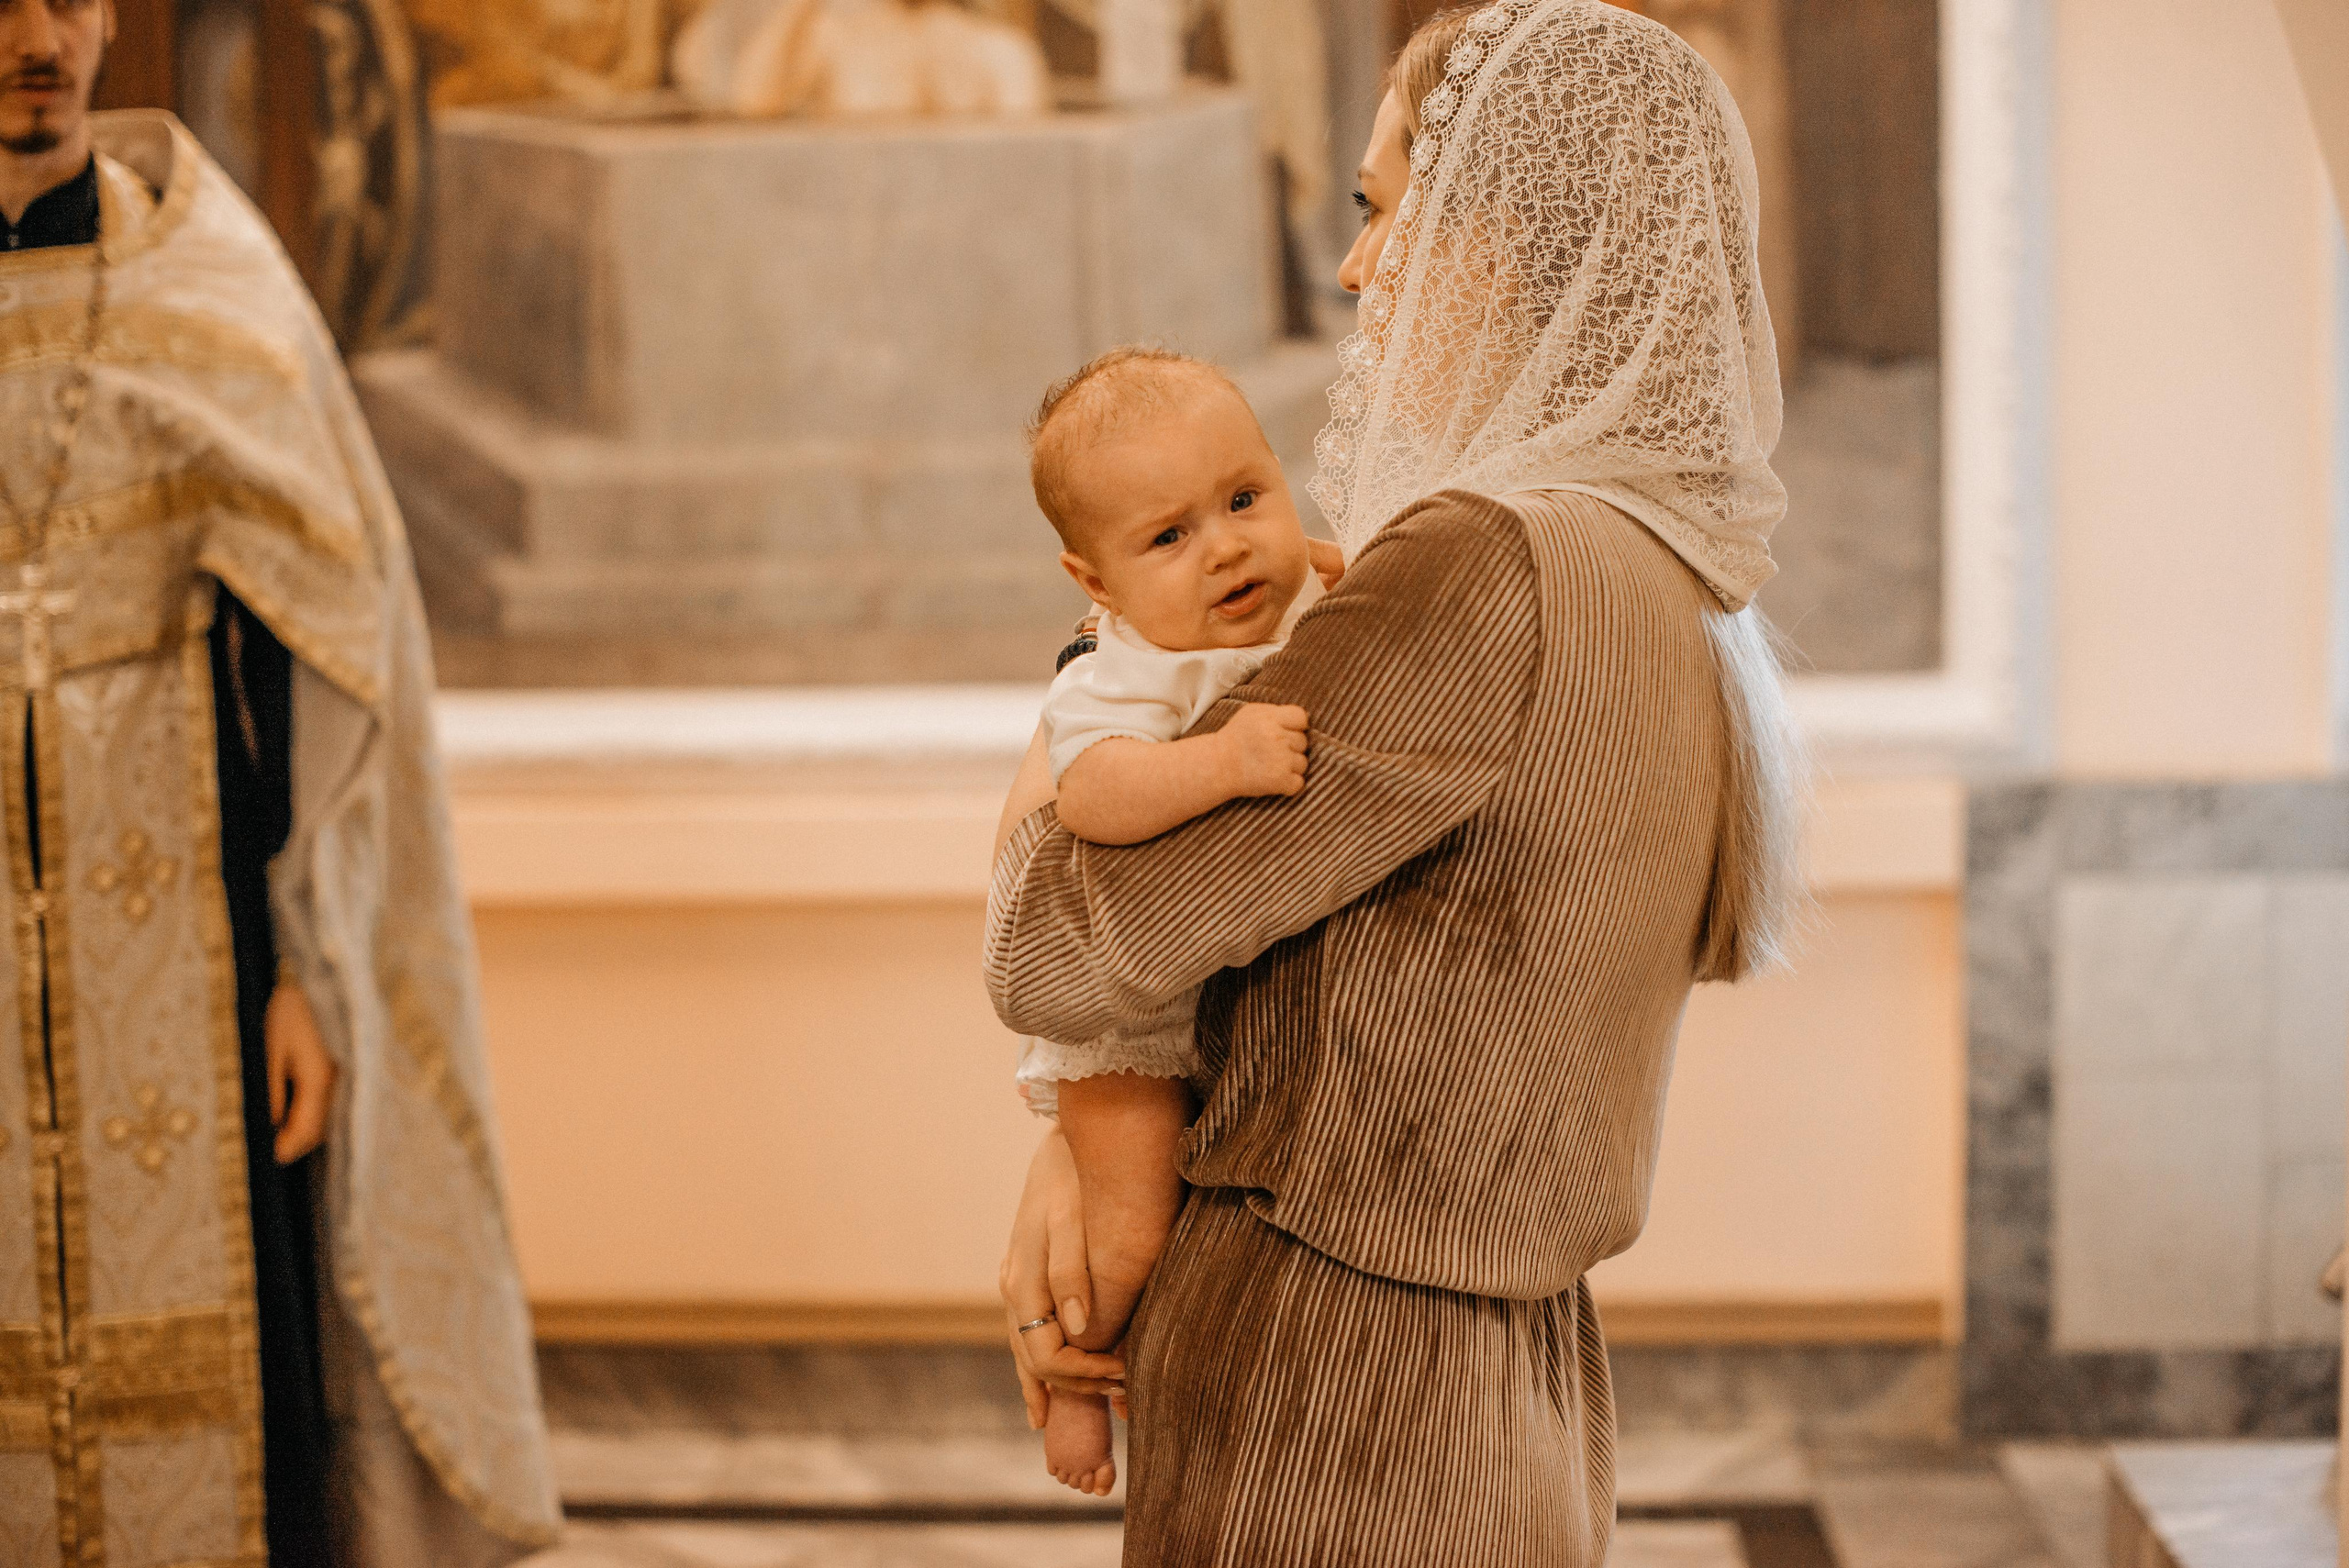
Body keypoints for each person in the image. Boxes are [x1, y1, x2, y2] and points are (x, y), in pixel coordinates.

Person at [986, 2, 1807, 1562]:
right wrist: (1086, 1139)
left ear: (1502, 242)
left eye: (1381, 212)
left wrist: (1093, 668)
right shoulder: (1674, 576)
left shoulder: (1483, 560)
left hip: (1332, 1374)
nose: (1360, 271)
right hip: (1506, 1368)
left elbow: (1054, 944)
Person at [0, 1, 559, 1561]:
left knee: (242, 1352)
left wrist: (305, 964)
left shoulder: (207, 282)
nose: (34, 36)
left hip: (186, 933)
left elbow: (305, 653)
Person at [995, 346, 1345, 1495]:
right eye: (1168, 536)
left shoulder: (1299, 590)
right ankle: (1077, 1390)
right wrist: (1223, 762)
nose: (1226, 548)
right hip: (1125, 1025)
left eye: (1244, 498)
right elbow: (1092, 796)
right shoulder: (1123, 674)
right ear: (1092, 582)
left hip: (1217, 994)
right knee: (1131, 1223)